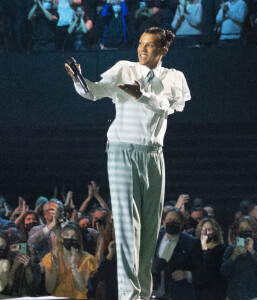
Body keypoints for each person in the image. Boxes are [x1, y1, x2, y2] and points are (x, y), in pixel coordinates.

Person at [65, 26, 191, 300]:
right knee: (126, 225)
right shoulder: (124, 68)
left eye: (149, 45)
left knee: (148, 227)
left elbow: (166, 105)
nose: (142, 49)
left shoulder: (173, 77)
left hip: (153, 154)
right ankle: (128, 295)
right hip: (122, 150)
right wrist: (79, 80)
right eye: (140, 43)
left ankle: (143, 294)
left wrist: (141, 95)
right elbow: (95, 92)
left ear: (163, 50)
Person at [152, 208, 200, 300]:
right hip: (155, 292)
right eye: (169, 220)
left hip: (178, 293)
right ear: (163, 222)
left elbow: (201, 271)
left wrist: (186, 274)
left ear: (182, 223)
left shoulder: (192, 243)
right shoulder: (155, 238)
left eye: (176, 220)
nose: (172, 222)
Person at [42, 222, 98, 299]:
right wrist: (55, 270)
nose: (70, 238)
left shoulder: (86, 258)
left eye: (74, 236)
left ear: (78, 240)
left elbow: (80, 287)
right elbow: (49, 289)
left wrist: (73, 265)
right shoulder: (51, 257)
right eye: (67, 235)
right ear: (62, 238)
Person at [221, 216, 257, 300]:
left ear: (254, 231)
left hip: (254, 295)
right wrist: (233, 256)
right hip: (234, 295)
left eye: (247, 229)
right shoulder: (231, 249)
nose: (244, 231)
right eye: (242, 229)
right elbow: (224, 271)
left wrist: (252, 252)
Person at [194, 217, 227, 300]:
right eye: (204, 229)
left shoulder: (220, 249)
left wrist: (204, 247)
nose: (206, 232)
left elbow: (212, 268)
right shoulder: (195, 247)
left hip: (214, 291)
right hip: (198, 290)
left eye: (209, 229)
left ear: (214, 231)